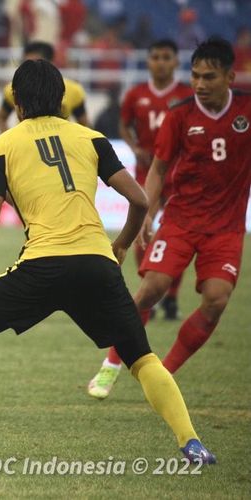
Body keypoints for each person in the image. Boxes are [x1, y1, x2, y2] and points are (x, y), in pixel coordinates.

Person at [0, 59, 216, 465]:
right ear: (61, 98)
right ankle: (192, 444)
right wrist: (121, 245)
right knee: (141, 358)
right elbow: (140, 199)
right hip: (96, 264)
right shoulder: (91, 138)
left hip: (41, 265)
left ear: (17, 101)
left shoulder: (2, 145)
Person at [86, 37, 251, 399]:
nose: (200, 84)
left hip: (227, 227)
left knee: (217, 299)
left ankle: (162, 375)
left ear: (229, 76)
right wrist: (147, 209)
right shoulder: (180, 114)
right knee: (151, 289)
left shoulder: (246, 110)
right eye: (195, 76)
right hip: (180, 218)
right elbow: (158, 168)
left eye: (209, 77)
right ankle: (111, 363)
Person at [113, 39, 192, 324]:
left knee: (177, 234)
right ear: (148, 61)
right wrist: (135, 148)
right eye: (155, 56)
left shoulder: (187, 94)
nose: (160, 62)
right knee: (140, 232)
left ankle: (171, 296)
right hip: (147, 174)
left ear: (175, 62)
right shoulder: (136, 94)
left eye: (166, 57)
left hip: (180, 175)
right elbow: (123, 124)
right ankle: (149, 292)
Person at [0, 41, 88, 133]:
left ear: (51, 63)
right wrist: (9, 139)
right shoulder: (13, 89)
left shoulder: (73, 90)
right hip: (25, 143)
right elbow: (1, 118)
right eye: (27, 64)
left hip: (60, 143)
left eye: (37, 63)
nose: (32, 70)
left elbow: (84, 124)